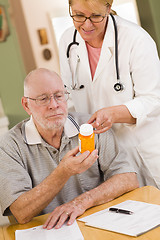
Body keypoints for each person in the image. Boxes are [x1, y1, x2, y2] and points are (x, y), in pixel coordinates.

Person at [0, 68, 138, 229]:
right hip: (48, 231)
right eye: (43, 99)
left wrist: (82, 202)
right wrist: (63, 172)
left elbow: (128, 178)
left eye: (59, 96)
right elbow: (20, 212)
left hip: (99, 223)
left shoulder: (90, 126)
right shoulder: (9, 146)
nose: (54, 105)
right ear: (26, 105)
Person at [59, 0, 160, 188]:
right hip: (102, 155)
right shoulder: (68, 41)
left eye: (96, 16)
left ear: (108, 7)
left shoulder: (135, 39)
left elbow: (153, 100)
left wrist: (113, 113)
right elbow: (69, 97)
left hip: (143, 149)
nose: (87, 25)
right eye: (79, 15)